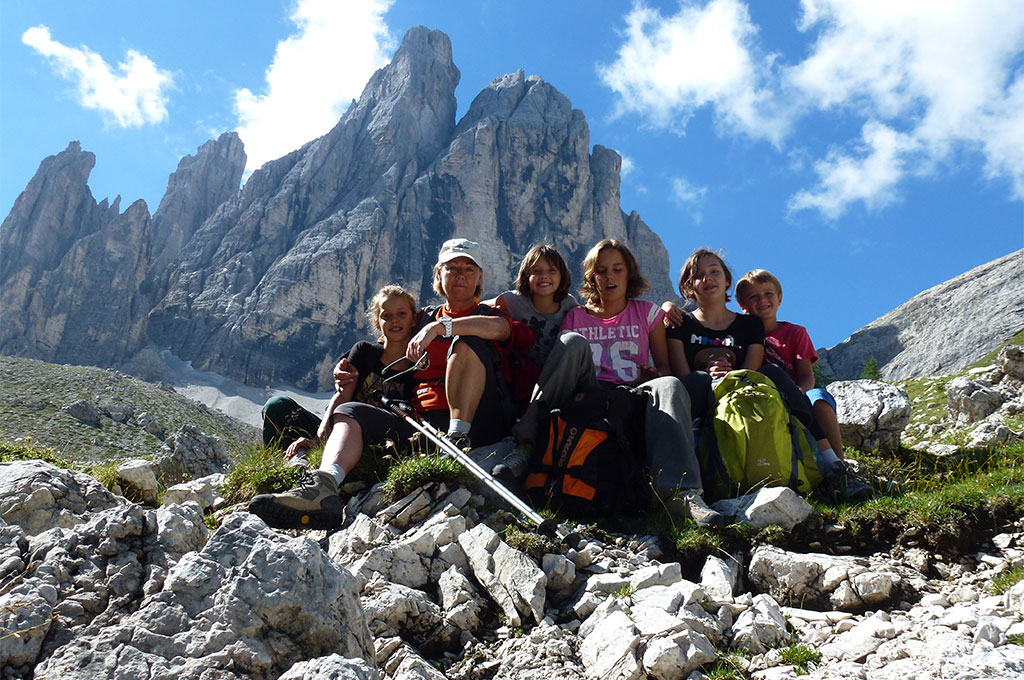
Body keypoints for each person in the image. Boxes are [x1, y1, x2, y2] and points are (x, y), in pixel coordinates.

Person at [250, 239, 530, 529]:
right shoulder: (421, 318)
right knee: (351, 410)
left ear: (479, 278)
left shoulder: (487, 315)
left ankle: (457, 437)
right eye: (452, 268)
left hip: (479, 424)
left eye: (469, 269)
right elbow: (389, 337)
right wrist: (344, 367)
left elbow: (500, 329)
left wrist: (442, 328)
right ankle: (324, 488)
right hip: (423, 427)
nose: (460, 275)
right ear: (438, 275)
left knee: (466, 341)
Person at [510, 239, 720, 526]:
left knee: (669, 384)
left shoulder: (647, 312)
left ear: (629, 273)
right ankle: (527, 447)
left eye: (617, 269)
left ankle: (681, 494)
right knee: (570, 342)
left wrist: (652, 376)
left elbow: (664, 368)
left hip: (633, 393)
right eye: (602, 270)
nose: (610, 277)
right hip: (590, 394)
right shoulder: (576, 315)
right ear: (592, 277)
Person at [665, 248, 868, 503]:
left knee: (771, 372)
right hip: (700, 394)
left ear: (727, 279)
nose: (708, 279)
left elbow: (753, 371)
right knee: (695, 380)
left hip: (740, 395)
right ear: (688, 286)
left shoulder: (749, 325)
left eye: (714, 271)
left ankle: (834, 467)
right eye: (699, 275)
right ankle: (694, 475)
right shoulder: (678, 324)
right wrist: (706, 374)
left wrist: (727, 377)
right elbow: (682, 374)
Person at [735, 268, 871, 501]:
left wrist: (801, 392)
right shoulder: (740, 334)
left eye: (768, 294)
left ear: (780, 298)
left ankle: (839, 469)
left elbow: (806, 375)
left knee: (819, 398)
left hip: (798, 393)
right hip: (765, 397)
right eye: (754, 297)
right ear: (743, 306)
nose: (763, 301)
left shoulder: (795, 332)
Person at [486, 243, 578, 412]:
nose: (544, 276)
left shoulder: (569, 304)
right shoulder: (513, 300)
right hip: (521, 380)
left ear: (562, 276)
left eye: (552, 270)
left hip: (557, 380)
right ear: (526, 276)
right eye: (536, 271)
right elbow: (479, 309)